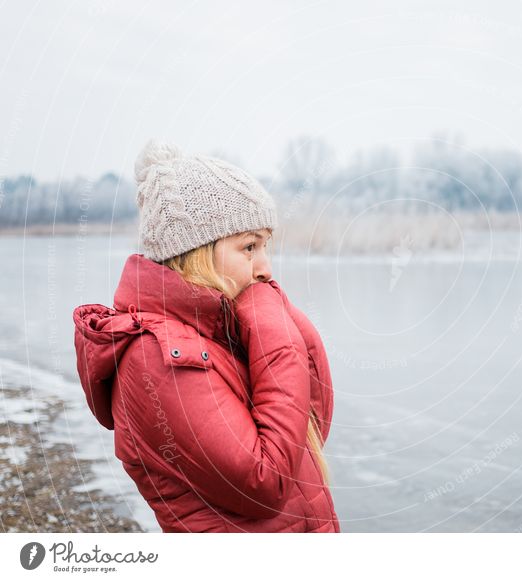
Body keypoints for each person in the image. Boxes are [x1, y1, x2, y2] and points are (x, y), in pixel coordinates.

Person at [72, 139, 339, 533]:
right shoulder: (156, 357)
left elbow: (309, 427)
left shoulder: (219, 332)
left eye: (266, 246)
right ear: (194, 252)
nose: (266, 268)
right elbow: (266, 482)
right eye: (249, 247)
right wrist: (271, 325)